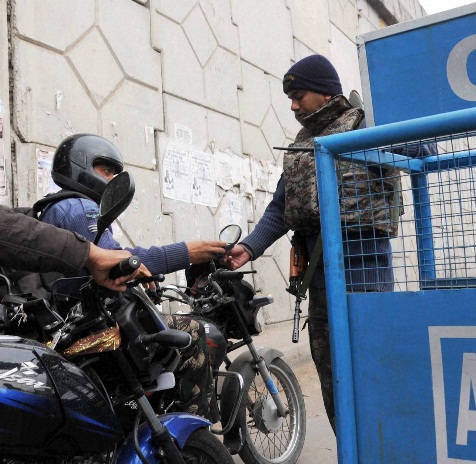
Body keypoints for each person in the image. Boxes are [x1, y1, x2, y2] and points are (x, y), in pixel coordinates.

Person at [226, 54, 400, 434]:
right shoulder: (304, 143)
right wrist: (250, 247)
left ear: (324, 93)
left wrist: (384, 137)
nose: (292, 105)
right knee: (331, 374)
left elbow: (421, 150)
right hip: (319, 277)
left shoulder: (365, 124)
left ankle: (384, 449)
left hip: (363, 274)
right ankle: (351, 452)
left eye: (298, 95)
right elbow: (280, 206)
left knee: (371, 372)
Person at [39, 133, 228, 415]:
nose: (112, 179)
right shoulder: (80, 208)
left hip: (70, 321)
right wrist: (187, 253)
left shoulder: (58, 206)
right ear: (81, 166)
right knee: (194, 331)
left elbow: (112, 254)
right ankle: (192, 434)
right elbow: (113, 262)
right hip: (87, 326)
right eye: (106, 170)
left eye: (116, 173)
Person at [0, 204, 150, 291]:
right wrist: (92, 255)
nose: (111, 179)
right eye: (106, 171)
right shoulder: (76, 208)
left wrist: (91, 255)